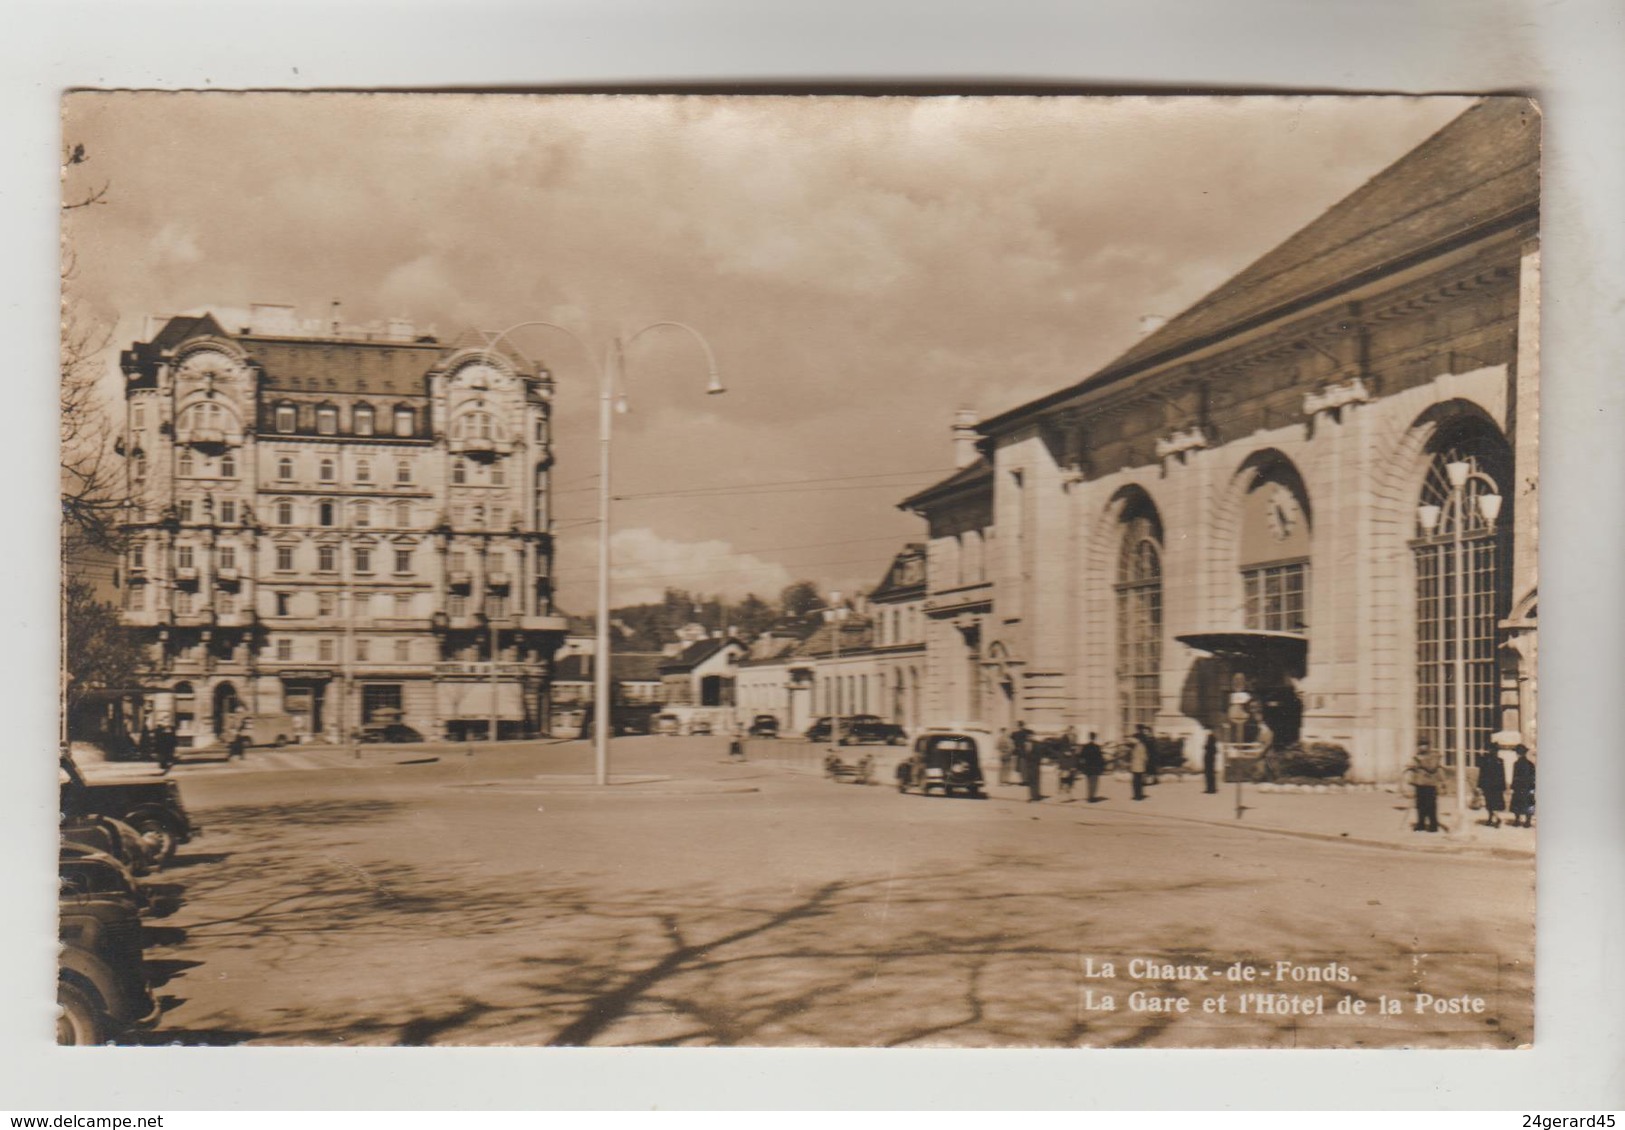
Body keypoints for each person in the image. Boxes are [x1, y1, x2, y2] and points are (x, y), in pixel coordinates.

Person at [1404, 739, 1446, 832]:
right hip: (1419, 784)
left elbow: (1432, 767)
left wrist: (1420, 761)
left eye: (1424, 745)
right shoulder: (1418, 756)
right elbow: (1415, 769)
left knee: (1430, 806)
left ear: (1428, 746)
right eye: (1420, 745)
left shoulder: (1434, 755)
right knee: (1420, 805)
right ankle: (1421, 824)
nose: (1421, 747)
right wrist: (1411, 768)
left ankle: (1433, 826)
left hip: (1430, 784)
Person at [1476, 748, 1507, 827]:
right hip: (1496, 786)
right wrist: (1503, 787)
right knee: (1494, 803)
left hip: (1489, 786)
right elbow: (1502, 775)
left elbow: (1482, 773)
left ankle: (1495, 818)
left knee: (1490, 803)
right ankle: (1491, 819)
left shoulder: (1486, 760)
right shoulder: (1499, 761)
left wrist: (1480, 785)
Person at [1509, 745, 1535, 827]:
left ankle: (1517, 820)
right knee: (1528, 803)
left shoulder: (1516, 764)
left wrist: (1513, 787)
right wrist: (1533, 787)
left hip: (1519, 787)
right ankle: (1528, 821)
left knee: (1517, 803)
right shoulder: (1531, 764)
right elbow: (1533, 777)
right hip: (1528, 787)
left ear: (1518, 753)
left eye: (1517, 752)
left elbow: (1515, 777)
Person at [1080, 731, 1106, 802]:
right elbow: (1100, 758)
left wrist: (1082, 766)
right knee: (1094, 783)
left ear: (1089, 737)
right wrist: (1102, 766)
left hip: (1088, 767)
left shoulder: (1085, 747)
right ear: (1095, 738)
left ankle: (1089, 796)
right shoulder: (1097, 747)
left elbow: (1081, 756)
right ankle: (1092, 797)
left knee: (1089, 782)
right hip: (1095, 767)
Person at [1057, 726, 1080, 797]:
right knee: (1064, 774)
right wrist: (1067, 751)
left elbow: (1075, 746)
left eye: (1074, 731)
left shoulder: (1075, 737)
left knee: (1071, 773)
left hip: (1072, 758)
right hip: (1065, 759)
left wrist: (1076, 749)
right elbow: (1062, 747)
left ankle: (1069, 788)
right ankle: (1061, 788)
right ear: (1069, 730)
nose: (1074, 732)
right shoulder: (1064, 737)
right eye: (1073, 730)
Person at [1129, 727, 1151, 800]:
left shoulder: (1140, 746)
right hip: (1137, 766)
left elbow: (1145, 757)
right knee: (1136, 782)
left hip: (1138, 767)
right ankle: (1137, 795)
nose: (1132, 740)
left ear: (1137, 739)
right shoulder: (1137, 745)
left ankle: (1138, 796)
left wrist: (1141, 763)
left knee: (1137, 782)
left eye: (1133, 739)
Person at [1011, 721, 1033, 787]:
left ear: (1019, 726)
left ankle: (1024, 781)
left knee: (1022, 767)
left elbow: (1012, 739)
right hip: (1028, 752)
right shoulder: (1028, 732)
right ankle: (1027, 780)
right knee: (1027, 767)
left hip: (1021, 753)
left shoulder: (1015, 734)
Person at [1203, 730, 1219, 794]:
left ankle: (1210, 789)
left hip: (1209, 762)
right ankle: (1211, 788)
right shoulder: (1213, 747)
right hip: (1210, 762)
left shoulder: (1210, 747)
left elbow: (1206, 748)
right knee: (1211, 775)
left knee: (1209, 775)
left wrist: (1205, 747)